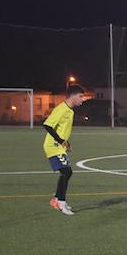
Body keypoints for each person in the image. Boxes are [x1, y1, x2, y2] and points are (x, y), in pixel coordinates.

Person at [43, 84, 89, 215]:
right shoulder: (61, 109)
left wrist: (65, 142)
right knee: (67, 172)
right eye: (80, 96)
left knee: (66, 172)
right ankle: (60, 202)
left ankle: (56, 199)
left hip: (59, 146)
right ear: (72, 96)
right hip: (53, 146)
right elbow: (47, 125)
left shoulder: (70, 111)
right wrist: (60, 140)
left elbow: (62, 129)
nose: (82, 99)